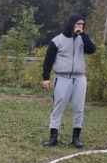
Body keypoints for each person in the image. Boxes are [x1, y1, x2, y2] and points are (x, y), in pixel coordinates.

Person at [41, 14, 96, 148]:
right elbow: (48, 59)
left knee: (79, 108)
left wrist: (84, 35)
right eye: (78, 24)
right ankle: (53, 136)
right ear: (71, 24)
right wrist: (46, 77)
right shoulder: (57, 40)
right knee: (58, 107)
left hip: (79, 78)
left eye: (82, 24)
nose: (81, 26)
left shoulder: (82, 39)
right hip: (62, 77)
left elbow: (92, 50)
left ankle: (76, 137)